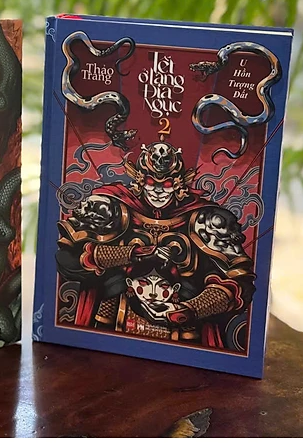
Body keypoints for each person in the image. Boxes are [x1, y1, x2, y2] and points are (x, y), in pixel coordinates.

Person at [55, 142, 255, 349]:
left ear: (178, 184)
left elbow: (239, 283)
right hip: (114, 317)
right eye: (151, 182)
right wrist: (129, 253)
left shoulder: (206, 220)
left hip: (184, 328)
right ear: (140, 179)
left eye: (166, 184)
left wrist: (190, 309)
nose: (158, 190)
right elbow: (68, 259)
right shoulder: (110, 208)